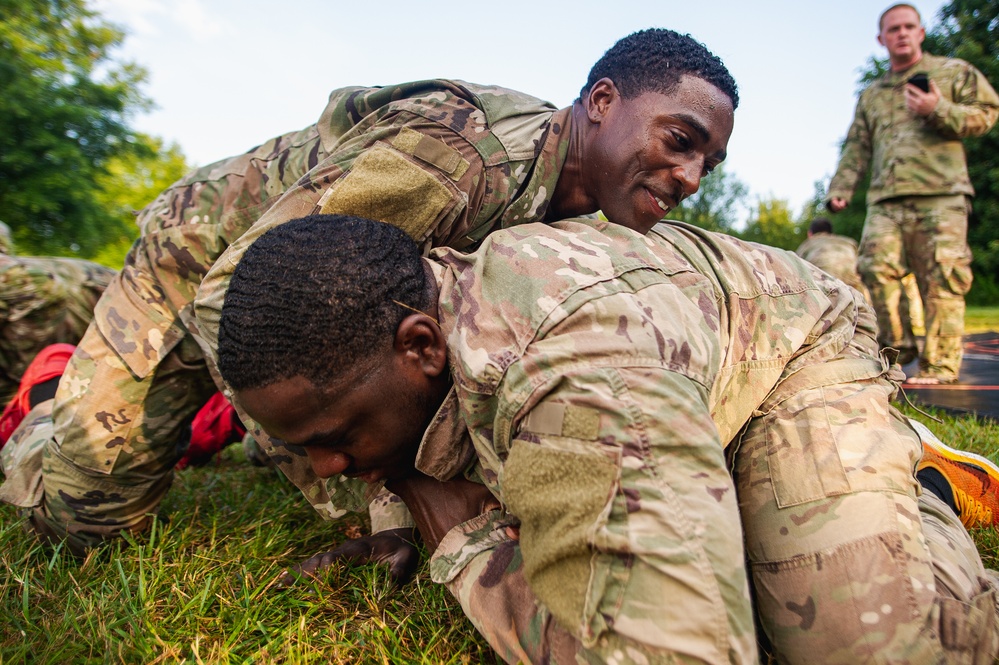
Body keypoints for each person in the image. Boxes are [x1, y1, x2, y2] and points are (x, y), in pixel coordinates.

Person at [0, 28, 738, 557]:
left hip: (299, 317)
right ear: (602, 102)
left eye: (709, 160)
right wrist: (396, 491)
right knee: (86, 520)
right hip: (201, 268)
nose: (690, 178)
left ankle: (233, 418)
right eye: (679, 139)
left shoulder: (588, 215)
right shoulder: (459, 157)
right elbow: (240, 296)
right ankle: (48, 397)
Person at [213, 213, 999, 664]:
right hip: (675, 372)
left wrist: (463, 539)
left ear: (422, 345)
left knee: (858, 649)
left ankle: (915, 485)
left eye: (336, 437)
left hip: (792, 351)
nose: (324, 468)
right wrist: (395, 502)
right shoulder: (393, 349)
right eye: (298, 448)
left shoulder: (565, 373)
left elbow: (675, 653)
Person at [825, 3, 999, 385]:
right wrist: (841, 188)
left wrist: (940, 108)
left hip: (942, 195)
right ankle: (897, 354)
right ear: (881, 39)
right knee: (875, 271)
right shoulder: (873, 93)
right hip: (886, 199)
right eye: (893, 29)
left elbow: (988, 112)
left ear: (920, 33)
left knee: (942, 277)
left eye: (909, 27)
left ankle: (940, 366)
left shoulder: (952, 73)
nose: (901, 33)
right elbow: (857, 145)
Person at [0, 246, 116, 405]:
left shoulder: (8, 275)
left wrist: (20, 374)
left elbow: (45, 287)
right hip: (77, 329)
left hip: (121, 310)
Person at [794, 217, 869, 301]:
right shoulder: (849, 242)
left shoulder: (806, 245)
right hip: (855, 288)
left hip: (825, 289)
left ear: (810, 234)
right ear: (831, 233)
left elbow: (796, 271)